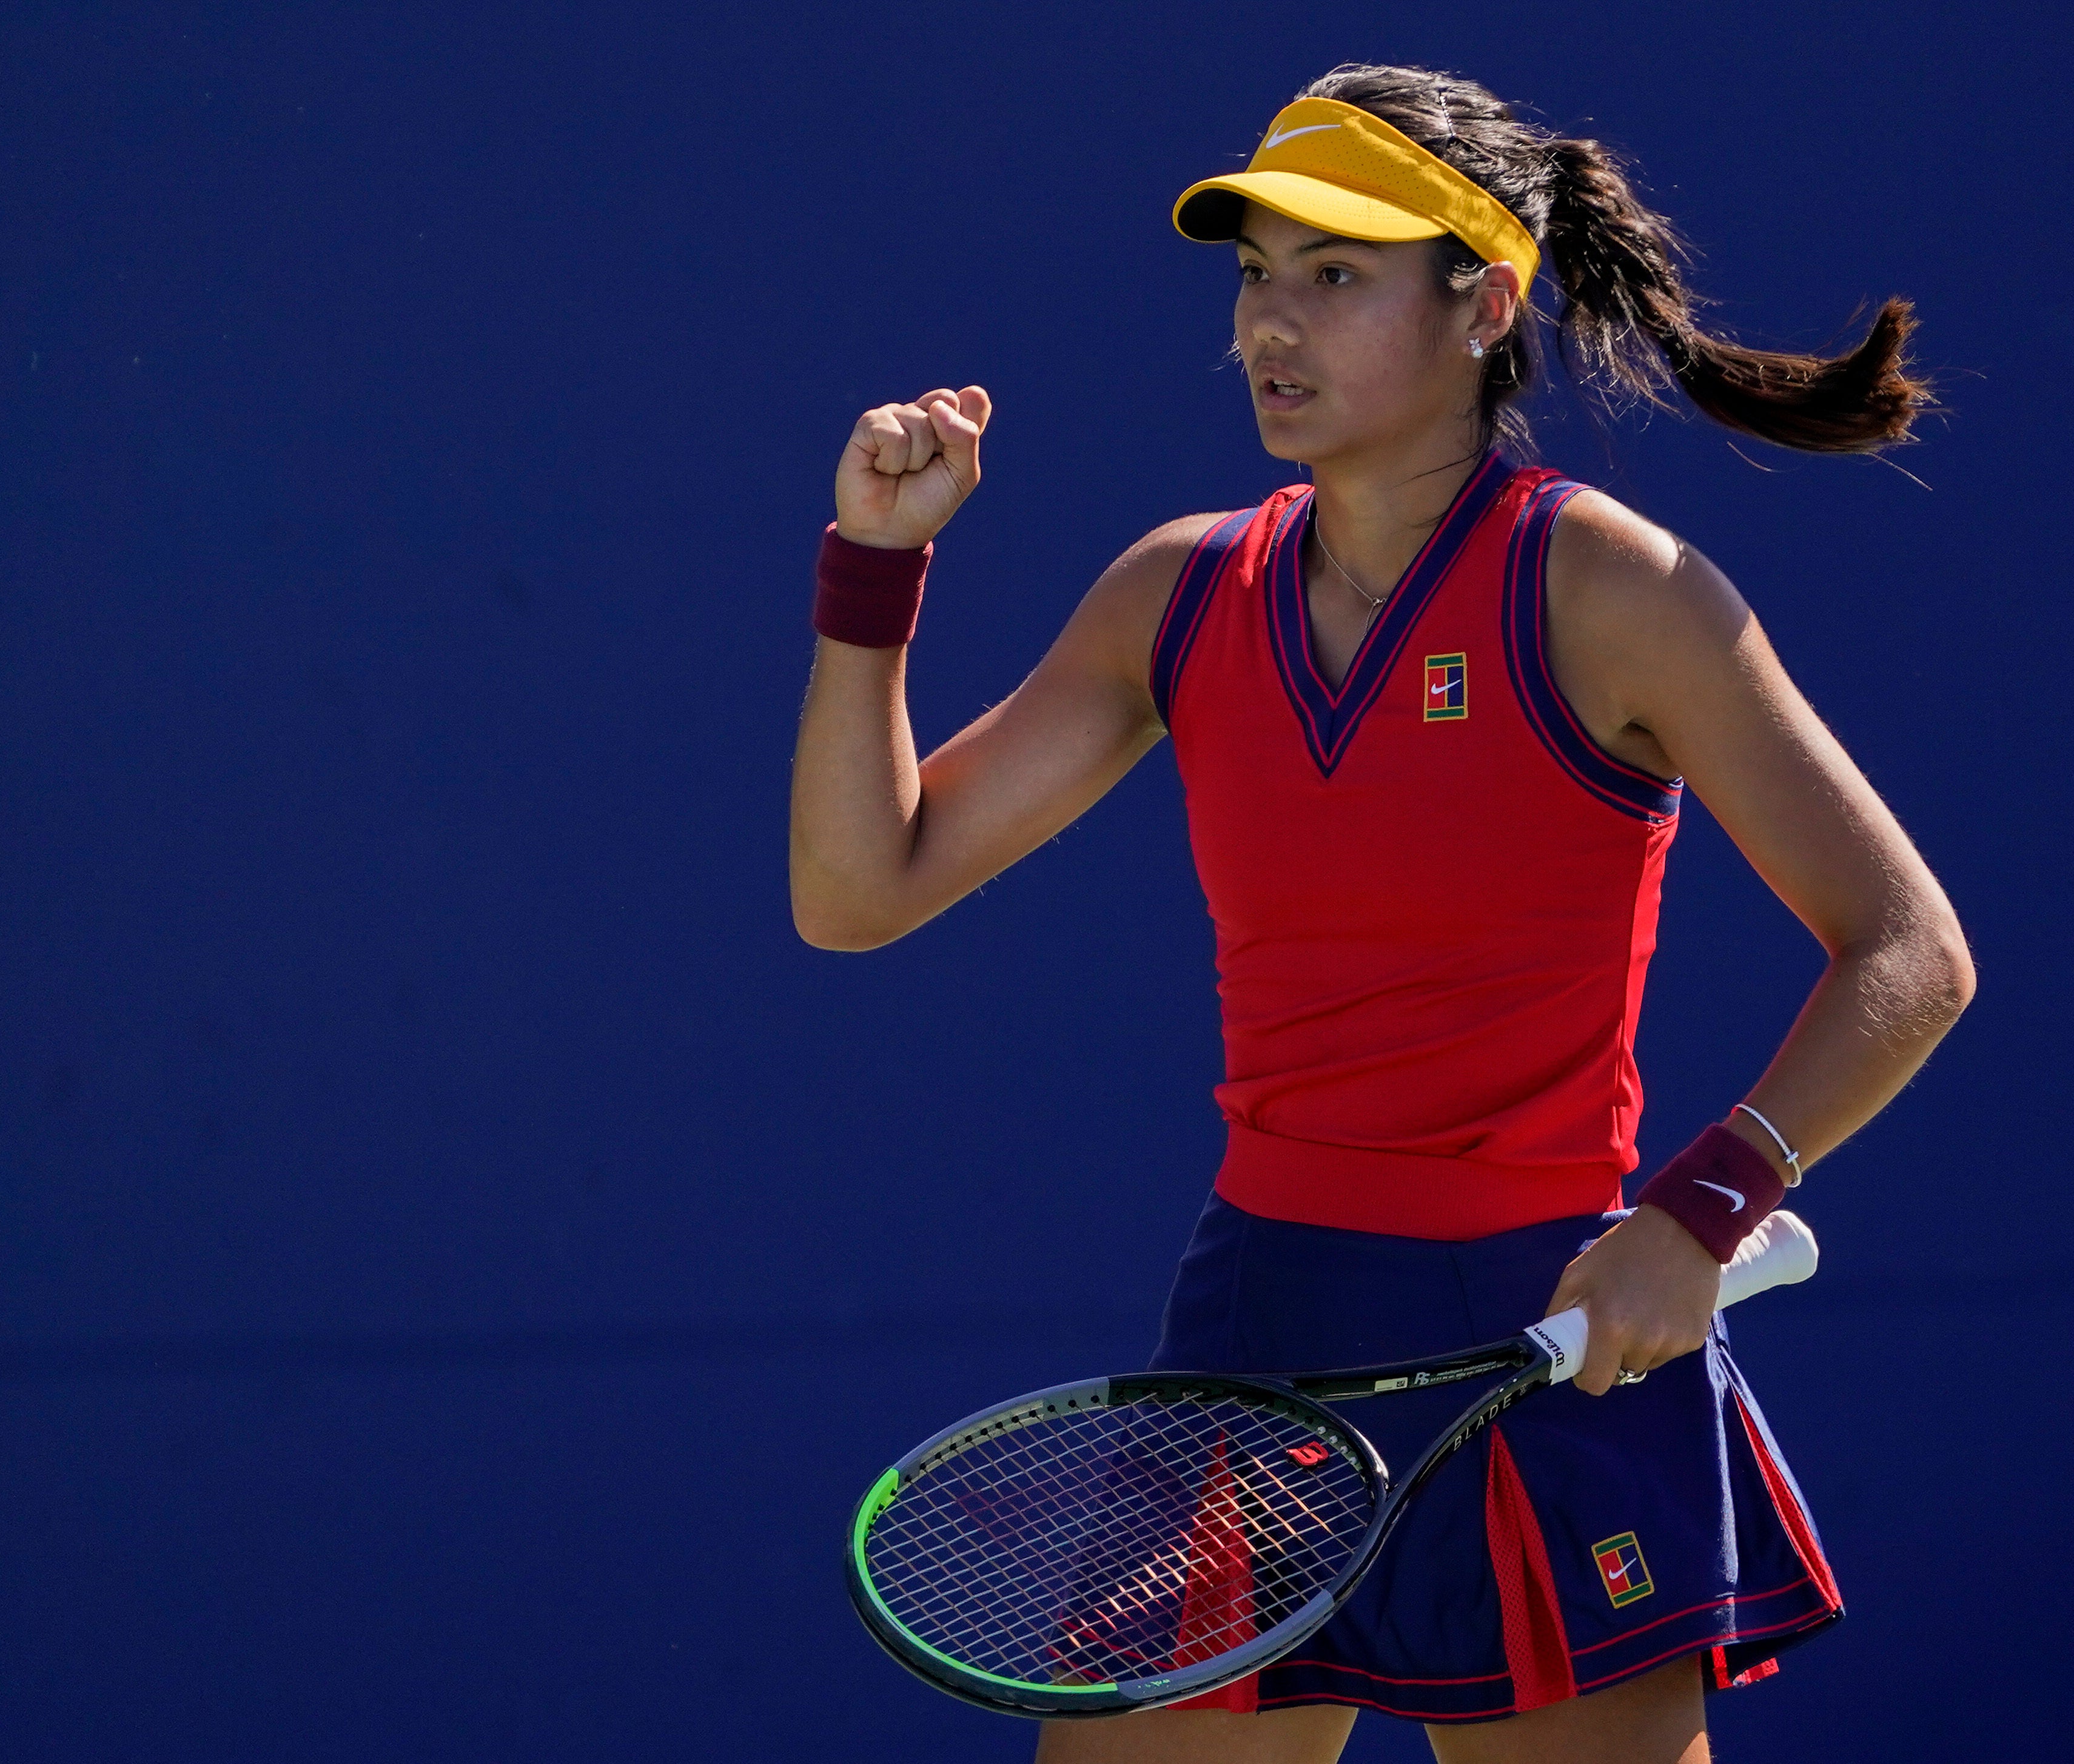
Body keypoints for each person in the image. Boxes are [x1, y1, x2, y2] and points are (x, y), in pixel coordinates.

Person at [791, 62, 1974, 1764]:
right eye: (1255, 274)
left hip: (1548, 1334)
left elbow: (1908, 952)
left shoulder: (1604, 589)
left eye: (1334, 276)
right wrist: (872, 567)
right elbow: (855, 890)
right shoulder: (1178, 594)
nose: (1271, 322)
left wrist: (1700, 1212)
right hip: (1253, 1339)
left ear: (1484, 302)